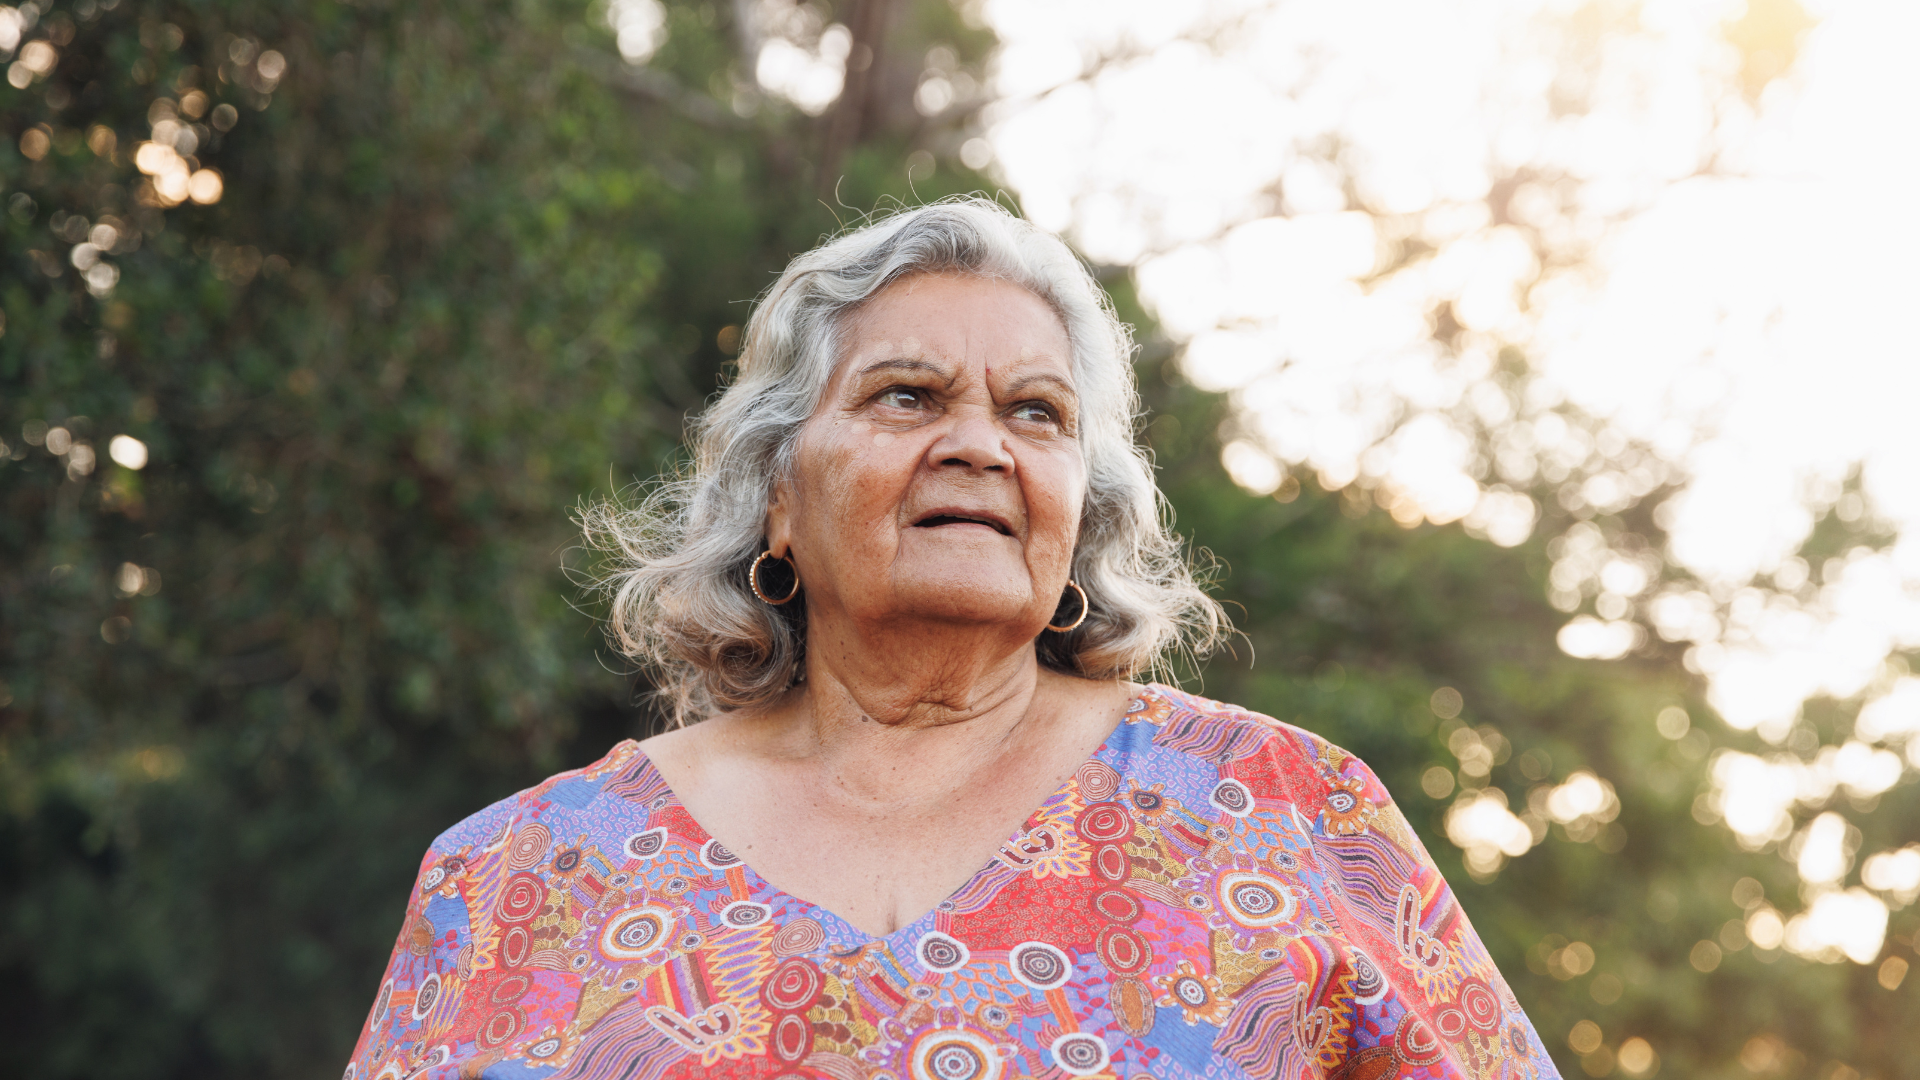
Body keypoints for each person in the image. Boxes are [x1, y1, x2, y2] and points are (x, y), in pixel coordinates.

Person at [346, 198, 1560, 1080]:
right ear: (777, 492)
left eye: (1036, 412)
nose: (979, 444)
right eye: (907, 397)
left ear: (1083, 508)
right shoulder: (517, 879)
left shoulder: (1287, 812)